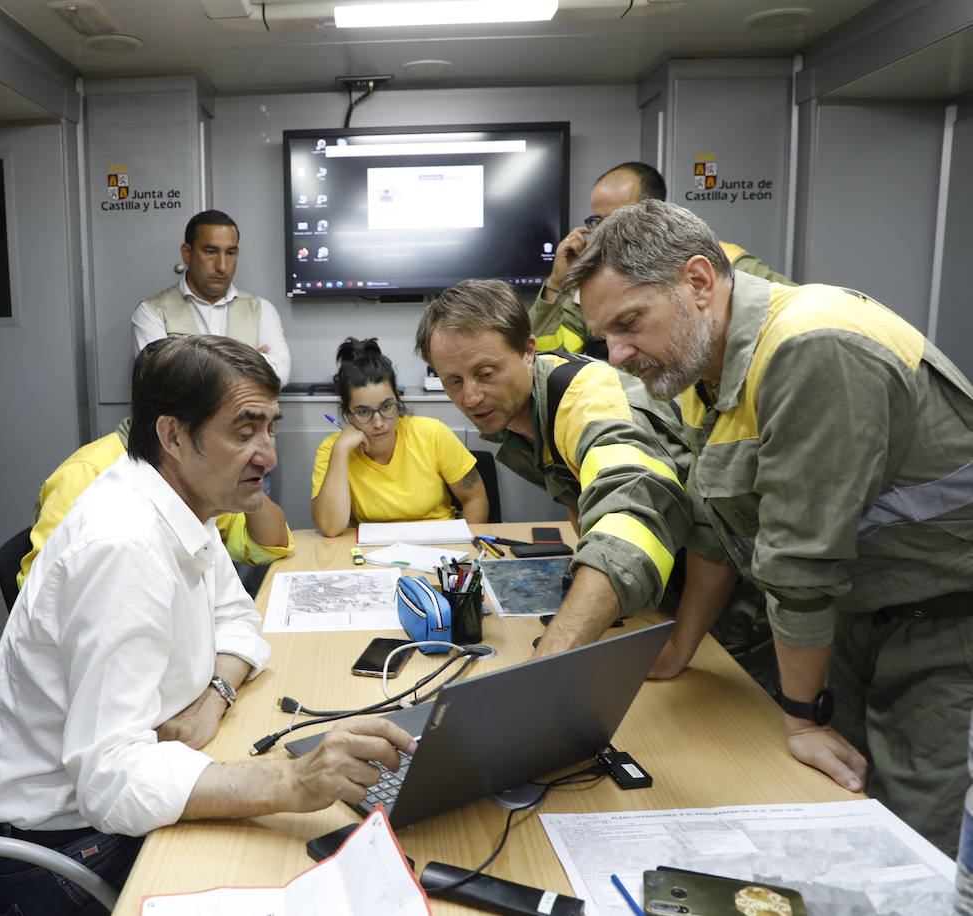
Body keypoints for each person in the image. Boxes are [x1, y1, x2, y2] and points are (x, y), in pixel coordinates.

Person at [565, 198, 973, 856]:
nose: (617, 354)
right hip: (861, 618)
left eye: (630, 323)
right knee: (833, 814)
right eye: (605, 335)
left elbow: (801, 564)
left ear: (698, 281)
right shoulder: (705, 362)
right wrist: (683, 647)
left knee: (917, 844)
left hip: (948, 630)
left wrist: (803, 714)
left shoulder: (812, 346)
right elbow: (719, 526)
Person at [0, 335, 415, 913]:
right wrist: (294, 784)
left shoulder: (183, 502)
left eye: (270, 427)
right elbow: (111, 784)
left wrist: (215, 695)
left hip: (120, 802)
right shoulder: (122, 548)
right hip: (71, 852)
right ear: (174, 435)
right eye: (244, 429)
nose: (269, 454)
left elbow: (239, 620)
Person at [416, 280, 736, 662]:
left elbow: (632, 512)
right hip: (660, 597)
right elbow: (578, 493)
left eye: (486, 373)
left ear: (528, 351)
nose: (469, 397)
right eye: (453, 381)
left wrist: (551, 658)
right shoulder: (514, 411)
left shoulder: (588, 401)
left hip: (730, 604)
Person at [534, 161, 792, 357]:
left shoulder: (722, 263)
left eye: (615, 219)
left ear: (654, 210)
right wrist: (557, 281)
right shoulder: (597, 281)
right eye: (597, 221)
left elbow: (793, 319)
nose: (603, 232)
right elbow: (551, 357)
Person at [15, 412, 293, 590]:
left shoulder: (197, 470)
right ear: (171, 430)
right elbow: (43, 592)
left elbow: (265, 546)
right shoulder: (86, 472)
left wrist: (246, 476)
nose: (269, 456)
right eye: (242, 433)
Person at [311, 338, 487, 537]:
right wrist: (341, 449)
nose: (378, 422)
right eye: (363, 412)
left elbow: (475, 499)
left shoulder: (432, 433)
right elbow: (330, 527)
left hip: (441, 546)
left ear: (397, 397)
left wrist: (466, 549)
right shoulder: (332, 449)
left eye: (386, 406)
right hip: (373, 554)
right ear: (347, 412)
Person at [133, 209, 291, 384]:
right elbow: (160, 382)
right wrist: (254, 361)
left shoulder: (261, 309)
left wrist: (192, 369)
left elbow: (279, 375)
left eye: (230, 253)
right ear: (187, 253)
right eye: (210, 252)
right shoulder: (151, 312)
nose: (222, 266)